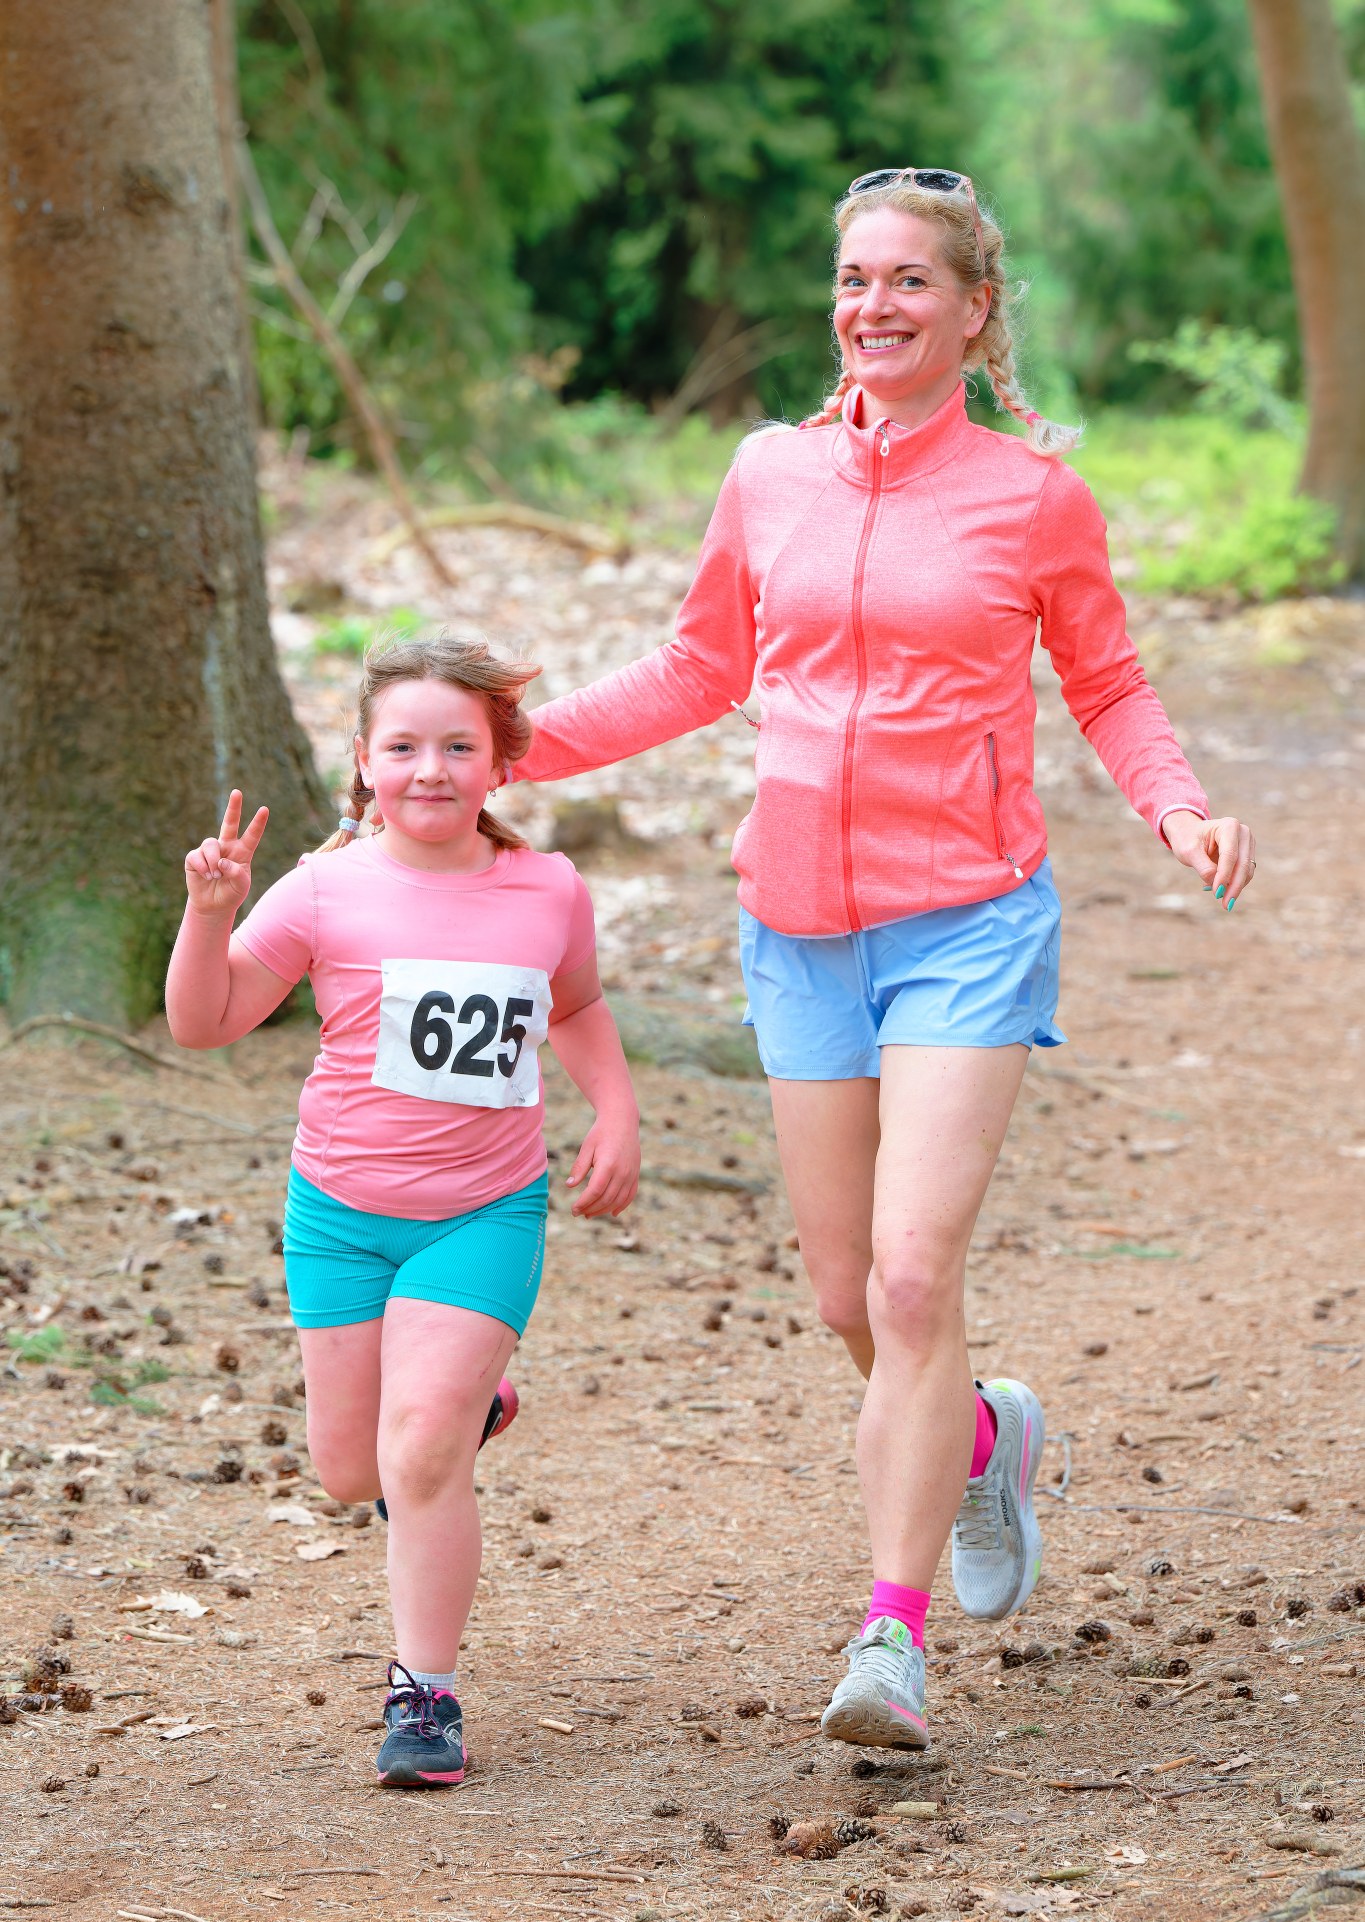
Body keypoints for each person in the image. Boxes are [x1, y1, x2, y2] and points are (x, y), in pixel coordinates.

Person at [506, 168, 1256, 1749]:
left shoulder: (1032, 498)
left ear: (974, 310)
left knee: (916, 1276)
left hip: (968, 920)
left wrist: (1177, 808)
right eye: (855, 279)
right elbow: (700, 663)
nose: (875, 305)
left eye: (911, 280)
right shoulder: (768, 472)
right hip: (794, 928)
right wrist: (519, 744)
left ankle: (890, 1641)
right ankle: (980, 1439)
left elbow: (1107, 684)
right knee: (847, 1291)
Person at [166, 636, 640, 1786]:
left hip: (484, 1212)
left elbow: (576, 1004)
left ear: (501, 761)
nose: (431, 768)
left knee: (418, 1448)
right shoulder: (324, 887)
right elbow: (204, 1021)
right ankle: (466, 1408)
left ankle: (424, 1694)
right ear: (366, 761)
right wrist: (208, 912)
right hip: (339, 1213)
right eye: (405, 745)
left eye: (458, 746)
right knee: (350, 1471)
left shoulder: (549, 886)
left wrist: (617, 1107)